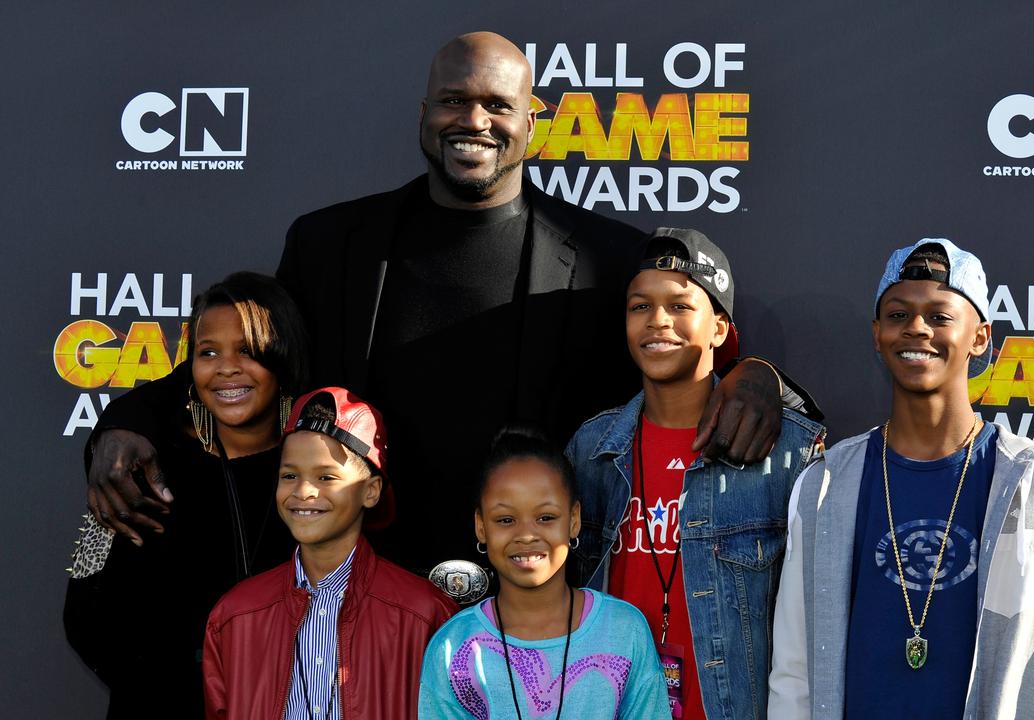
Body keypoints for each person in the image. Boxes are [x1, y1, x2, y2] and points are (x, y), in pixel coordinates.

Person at [83, 30, 813, 575]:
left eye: (498, 104)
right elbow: (241, 373)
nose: (475, 121)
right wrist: (125, 418)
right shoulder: (329, 244)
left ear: (532, 123)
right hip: (358, 602)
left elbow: (687, 384)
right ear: (424, 111)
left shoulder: (608, 257)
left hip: (534, 612)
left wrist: (761, 378)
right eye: (455, 100)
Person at [767, 239, 1034, 719]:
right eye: (899, 315)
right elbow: (794, 671)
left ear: (980, 337)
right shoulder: (825, 485)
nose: (917, 329)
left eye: (940, 316)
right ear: (877, 333)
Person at [566, 228, 825, 720]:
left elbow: (817, 619)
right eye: (640, 306)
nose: (657, 321)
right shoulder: (591, 448)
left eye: (680, 306)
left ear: (719, 329)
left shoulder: (786, 448)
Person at [63, 272, 309, 719]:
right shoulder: (144, 475)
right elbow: (84, 611)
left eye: (249, 351)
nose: (226, 367)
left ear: (284, 358)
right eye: (208, 352)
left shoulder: (314, 482)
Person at [203, 386, 456, 719]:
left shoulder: (426, 614)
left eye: (326, 476)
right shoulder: (234, 614)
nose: (304, 491)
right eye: (289, 475)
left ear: (371, 491)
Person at [419, 427, 670, 718]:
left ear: (574, 520)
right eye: (506, 519)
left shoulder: (625, 630)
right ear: (481, 526)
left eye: (546, 517)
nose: (526, 535)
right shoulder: (453, 646)